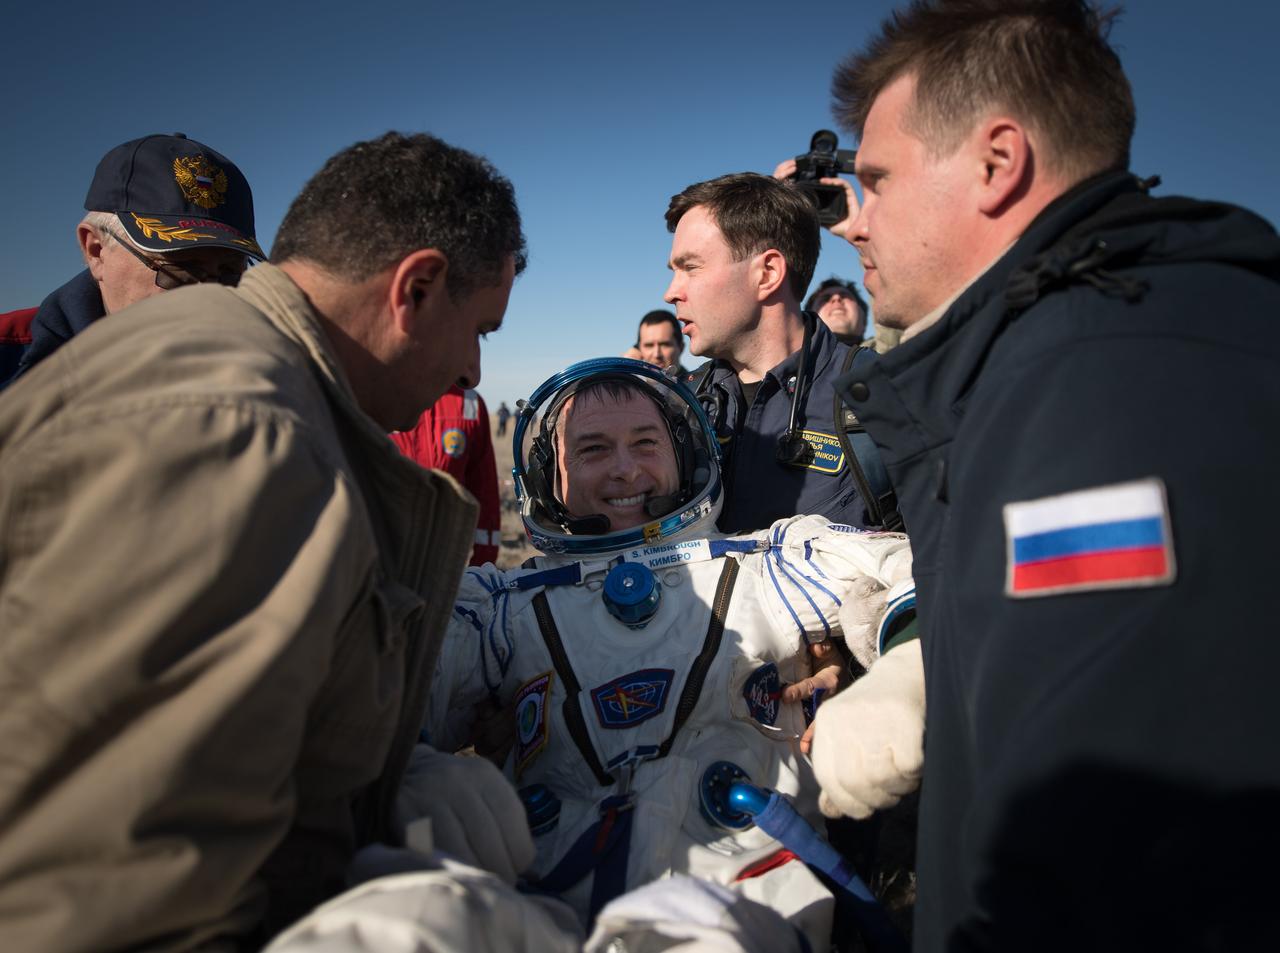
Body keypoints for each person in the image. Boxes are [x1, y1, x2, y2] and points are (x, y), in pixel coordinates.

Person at [805, 1, 1280, 949]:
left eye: (879, 181)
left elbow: (1123, 858)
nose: (855, 224)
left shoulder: (1109, 375)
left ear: (997, 162)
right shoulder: (1053, 353)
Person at [0, 131, 528, 950]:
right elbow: (109, 895)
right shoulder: (238, 426)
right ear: (416, 290)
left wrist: (376, 788)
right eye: (481, 330)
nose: (474, 373)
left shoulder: (268, 401)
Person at [416, 359, 915, 950]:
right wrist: (412, 772)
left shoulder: (772, 564)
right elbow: (388, 679)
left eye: (645, 442)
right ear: (551, 475)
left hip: (753, 914)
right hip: (548, 920)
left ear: (685, 456)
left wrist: (909, 669)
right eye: (593, 449)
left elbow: (915, 575)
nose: (625, 468)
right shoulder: (503, 608)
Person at [663, 173, 872, 533]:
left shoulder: (875, 394)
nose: (671, 292)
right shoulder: (680, 406)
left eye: (691, 268)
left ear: (768, 273)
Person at [1, 132, 265, 388]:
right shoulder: (10, 358)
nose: (211, 297)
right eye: (184, 269)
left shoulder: (271, 367)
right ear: (96, 251)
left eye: (231, 271)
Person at [392, 386, 502, 565]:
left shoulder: (469, 402)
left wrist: (483, 562)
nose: (475, 375)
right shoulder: (378, 390)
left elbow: (484, 489)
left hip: (443, 555)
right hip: (381, 555)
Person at [805, 277, 868, 345]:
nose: (836, 298)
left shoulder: (880, 353)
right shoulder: (796, 354)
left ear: (864, 319)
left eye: (845, 297)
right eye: (825, 299)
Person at [634, 308, 689, 377]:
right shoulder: (628, 384)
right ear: (639, 349)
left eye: (665, 345)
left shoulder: (695, 387)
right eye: (649, 345)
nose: (656, 354)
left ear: (681, 347)